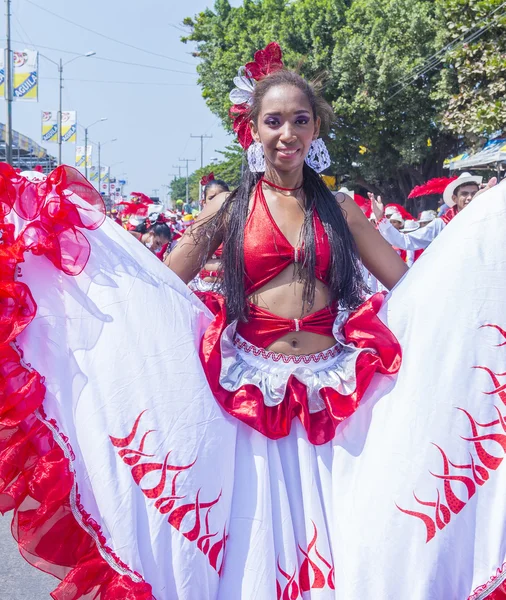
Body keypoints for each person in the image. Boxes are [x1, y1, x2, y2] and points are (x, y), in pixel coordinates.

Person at [2, 44, 506, 600]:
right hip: (248, 391)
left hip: (336, 392)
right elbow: (160, 286)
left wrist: (474, 264)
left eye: (300, 120)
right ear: (254, 131)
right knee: (254, 537)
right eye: (274, 121)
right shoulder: (229, 209)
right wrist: (74, 260)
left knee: (349, 528)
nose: (287, 132)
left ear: (315, 130)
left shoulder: (340, 210)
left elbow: (409, 285)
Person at [373, 172, 495, 251]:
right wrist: (380, 219)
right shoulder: (441, 224)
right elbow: (406, 241)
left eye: (474, 194)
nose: (469, 197)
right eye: (464, 194)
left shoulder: (489, 220)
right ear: (454, 199)